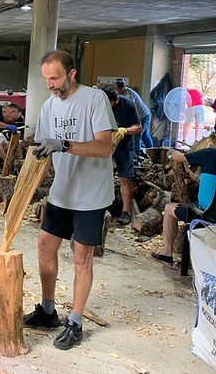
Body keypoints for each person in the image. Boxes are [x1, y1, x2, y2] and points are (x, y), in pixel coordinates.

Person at [26, 50, 117, 351]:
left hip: (90, 195)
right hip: (62, 193)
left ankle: (75, 322)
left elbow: (104, 148)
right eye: (46, 79)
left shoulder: (94, 99)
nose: (50, 85)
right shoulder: (49, 107)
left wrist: (63, 144)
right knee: (44, 247)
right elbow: (42, 156)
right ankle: (49, 310)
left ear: (72, 73)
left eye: (55, 78)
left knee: (81, 258)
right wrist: (25, 191)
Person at [152, 133, 216, 264]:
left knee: (169, 208)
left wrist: (171, 152)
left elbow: (178, 158)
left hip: (207, 215)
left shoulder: (210, 153)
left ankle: (167, 253)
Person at [102, 86, 141, 225]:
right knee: (100, 176)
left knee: (125, 178)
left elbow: (138, 127)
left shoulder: (127, 104)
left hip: (124, 146)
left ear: (117, 99)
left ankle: (126, 212)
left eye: (111, 104)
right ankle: (99, 207)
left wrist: (125, 130)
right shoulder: (99, 104)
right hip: (103, 144)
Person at [115, 79, 153, 155]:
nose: (116, 91)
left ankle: (136, 157)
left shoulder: (129, 95)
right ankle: (151, 151)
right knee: (145, 135)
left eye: (117, 89)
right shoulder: (122, 94)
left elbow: (130, 109)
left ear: (122, 88)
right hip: (142, 115)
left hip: (143, 116)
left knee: (137, 136)